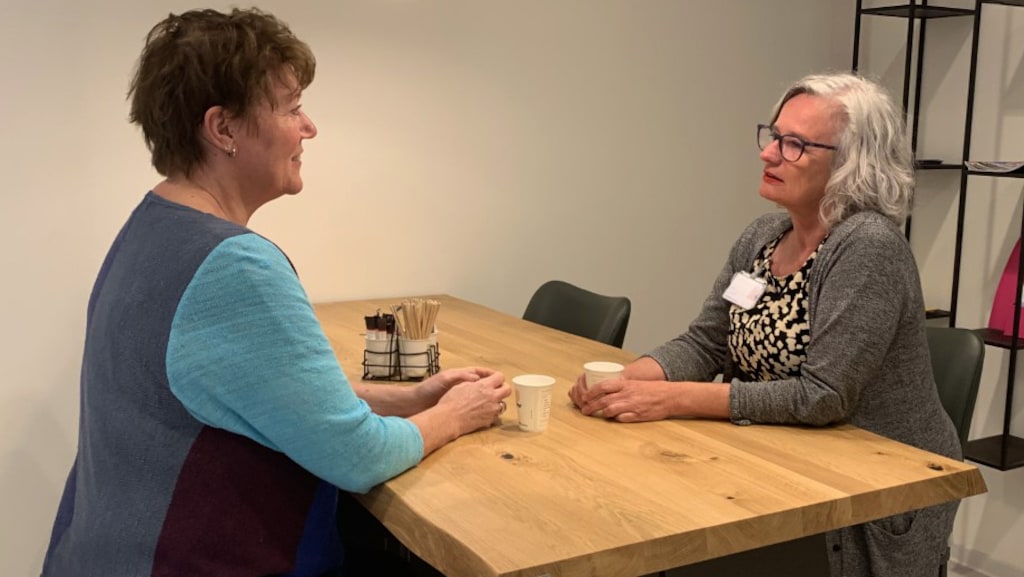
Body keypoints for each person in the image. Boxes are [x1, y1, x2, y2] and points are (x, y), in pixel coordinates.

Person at [40, 8, 510, 577]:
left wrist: (407, 400)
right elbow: (359, 457)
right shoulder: (233, 265)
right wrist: (456, 415)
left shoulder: (151, 226)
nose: (309, 128)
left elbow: (261, 399)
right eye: (291, 108)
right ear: (224, 129)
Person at [570, 72, 961, 577]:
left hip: (870, 496)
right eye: (774, 136)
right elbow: (706, 342)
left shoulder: (869, 246)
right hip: (778, 461)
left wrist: (673, 399)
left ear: (851, 164)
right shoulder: (764, 236)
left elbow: (821, 396)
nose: (769, 153)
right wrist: (628, 380)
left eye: (794, 144)